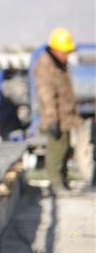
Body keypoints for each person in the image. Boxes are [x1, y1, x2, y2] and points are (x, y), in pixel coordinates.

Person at [34, 27, 82, 194]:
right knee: (56, 150)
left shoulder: (60, 63)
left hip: (65, 116)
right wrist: (51, 118)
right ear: (55, 49)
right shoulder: (45, 64)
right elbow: (45, 93)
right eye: (65, 51)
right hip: (55, 116)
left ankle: (63, 180)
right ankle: (55, 184)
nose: (67, 55)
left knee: (66, 148)